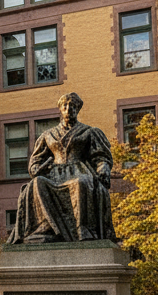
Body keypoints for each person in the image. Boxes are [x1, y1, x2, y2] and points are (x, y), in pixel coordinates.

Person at [8, 92, 115, 244]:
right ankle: (44, 228)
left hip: (79, 170)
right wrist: (35, 168)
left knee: (81, 183)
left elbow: (101, 156)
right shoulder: (48, 134)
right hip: (54, 174)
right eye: (65, 105)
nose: (68, 108)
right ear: (60, 109)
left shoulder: (89, 132)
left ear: (77, 109)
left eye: (72, 106)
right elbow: (35, 160)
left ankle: (82, 230)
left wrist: (103, 167)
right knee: (37, 183)